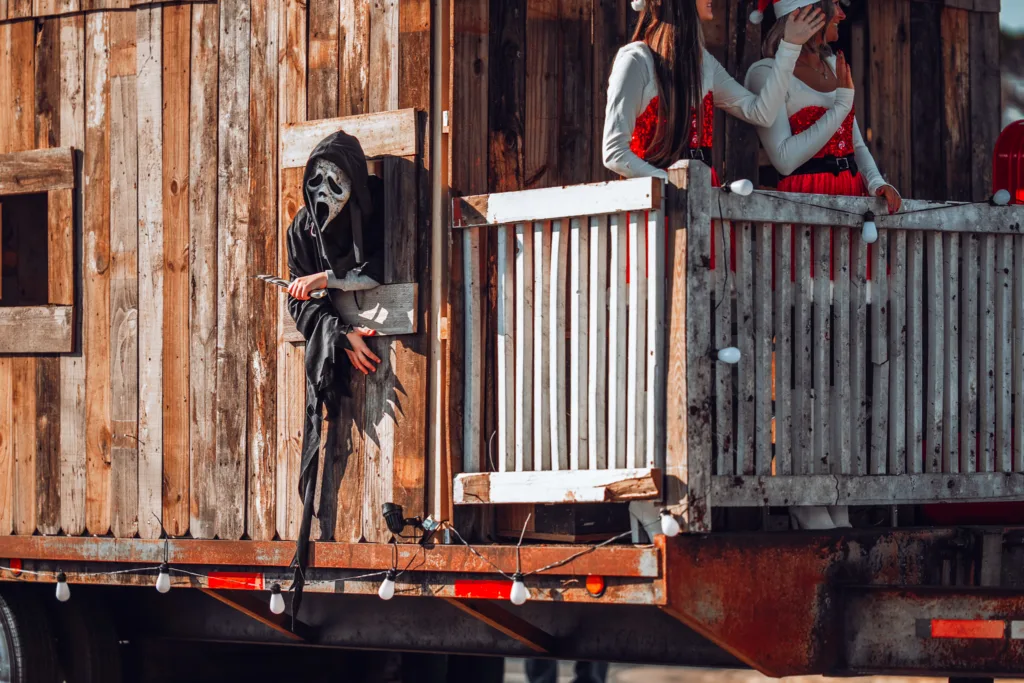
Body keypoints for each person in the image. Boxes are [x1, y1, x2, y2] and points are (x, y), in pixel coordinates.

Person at [745, 0, 901, 530]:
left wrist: (877, 181)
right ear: (803, 14)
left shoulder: (836, 64)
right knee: (800, 359)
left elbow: (854, 140)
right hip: (805, 211)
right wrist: (839, 105)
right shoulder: (767, 72)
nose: (841, 15)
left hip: (848, 215)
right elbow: (784, 157)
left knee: (844, 360)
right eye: (831, 8)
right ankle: (799, 484)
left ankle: (834, 483)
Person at [284, 129, 384, 621]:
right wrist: (341, 335)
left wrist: (324, 279)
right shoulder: (301, 230)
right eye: (317, 180)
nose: (324, 191)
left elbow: (375, 270)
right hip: (344, 344)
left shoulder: (372, 212)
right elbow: (298, 305)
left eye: (335, 181)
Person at [602, 0, 827, 182]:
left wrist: (790, 45)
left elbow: (761, 113)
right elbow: (614, 153)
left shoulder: (704, 64)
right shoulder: (636, 60)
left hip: (703, 201)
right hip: (655, 210)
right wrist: (673, 184)